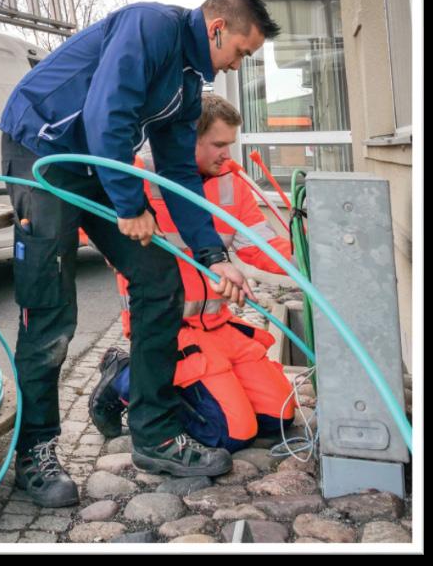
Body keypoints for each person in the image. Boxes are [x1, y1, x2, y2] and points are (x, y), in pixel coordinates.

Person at [0, 0, 280, 507]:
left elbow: (178, 176)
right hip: (43, 151)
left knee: (159, 279)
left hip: (96, 163)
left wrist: (214, 256)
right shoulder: (149, 26)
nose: (238, 64)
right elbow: (110, 113)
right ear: (217, 28)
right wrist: (129, 205)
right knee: (50, 308)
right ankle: (35, 451)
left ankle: (155, 433)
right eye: (240, 51)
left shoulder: (188, 82)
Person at [89, 94, 297, 453]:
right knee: (231, 434)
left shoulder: (232, 181)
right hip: (166, 329)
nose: (227, 155)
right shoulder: (138, 175)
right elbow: (92, 229)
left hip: (219, 325)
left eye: (229, 144)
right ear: (188, 138)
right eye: (219, 144)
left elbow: (259, 247)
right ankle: (124, 376)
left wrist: (312, 257)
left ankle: (185, 385)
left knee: (278, 417)